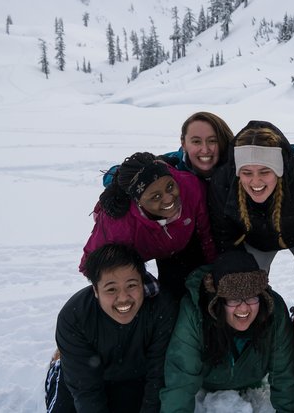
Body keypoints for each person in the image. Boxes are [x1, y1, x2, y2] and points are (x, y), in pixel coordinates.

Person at [160, 251, 294, 413]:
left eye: (251, 297)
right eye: (234, 299)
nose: (244, 308)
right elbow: (180, 382)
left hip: (252, 379)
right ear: (218, 300)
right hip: (207, 382)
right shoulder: (194, 314)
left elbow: (286, 376)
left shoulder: (274, 311)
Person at [208, 120, 294, 285]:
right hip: (255, 240)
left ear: (279, 170)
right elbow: (224, 236)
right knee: (246, 286)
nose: (255, 181)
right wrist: (239, 268)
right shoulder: (224, 182)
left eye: (265, 171)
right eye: (247, 172)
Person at [45, 244, 178, 413]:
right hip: (82, 376)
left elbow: (157, 376)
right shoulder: (74, 317)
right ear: (96, 290)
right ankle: (59, 362)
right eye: (111, 289)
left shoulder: (161, 308)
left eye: (131, 285)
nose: (123, 298)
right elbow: (85, 390)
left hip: (134, 377)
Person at [81, 152, 216, 298]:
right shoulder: (119, 225)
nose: (168, 198)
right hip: (141, 252)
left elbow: (206, 234)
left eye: (170, 187)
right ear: (137, 201)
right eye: (156, 197)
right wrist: (131, 282)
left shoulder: (190, 187)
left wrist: (213, 268)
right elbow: (89, 264)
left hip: (180, 245)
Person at [102, 111, 234, 185]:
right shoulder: (172, 163)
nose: (205, 149)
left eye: (212, 141)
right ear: (183, 143)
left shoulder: (237, 168)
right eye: (196, 141)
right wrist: (142, 171)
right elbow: (110, 175)